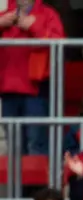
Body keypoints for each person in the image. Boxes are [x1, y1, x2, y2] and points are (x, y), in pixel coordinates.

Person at [0, 0, 66, 157]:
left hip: (36, 89)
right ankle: (16, 181)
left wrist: (33, 26)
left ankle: (37, 182)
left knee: (36, 143)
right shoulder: (3, 16)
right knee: (15, 145)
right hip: (8, 90)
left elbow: (60, 44)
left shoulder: (48, 14)